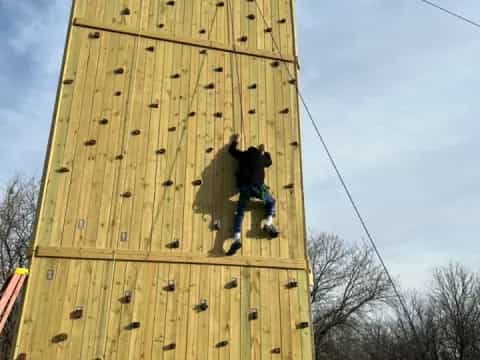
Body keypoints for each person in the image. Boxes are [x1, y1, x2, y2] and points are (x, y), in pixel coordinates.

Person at [226, 134, 279, 256]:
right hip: (257, 187)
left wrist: (235, 141)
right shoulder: (261, 158)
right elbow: (269, 162)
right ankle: (268, 222)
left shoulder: (243, 155)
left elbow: (231, 151)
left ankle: (236, 238)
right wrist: (264, 152)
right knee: (271, 201)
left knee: (240, 212)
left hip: (244, 188)